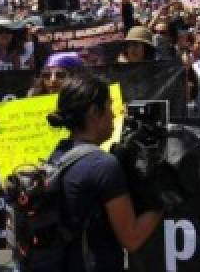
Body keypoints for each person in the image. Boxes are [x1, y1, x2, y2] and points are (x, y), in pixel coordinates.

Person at [44, 74, 163, 270]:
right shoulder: (103, 166)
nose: (114, 114)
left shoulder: (58, 153)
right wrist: (164, 199)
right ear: (93, 112)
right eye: (109, 106)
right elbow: (132, 238)